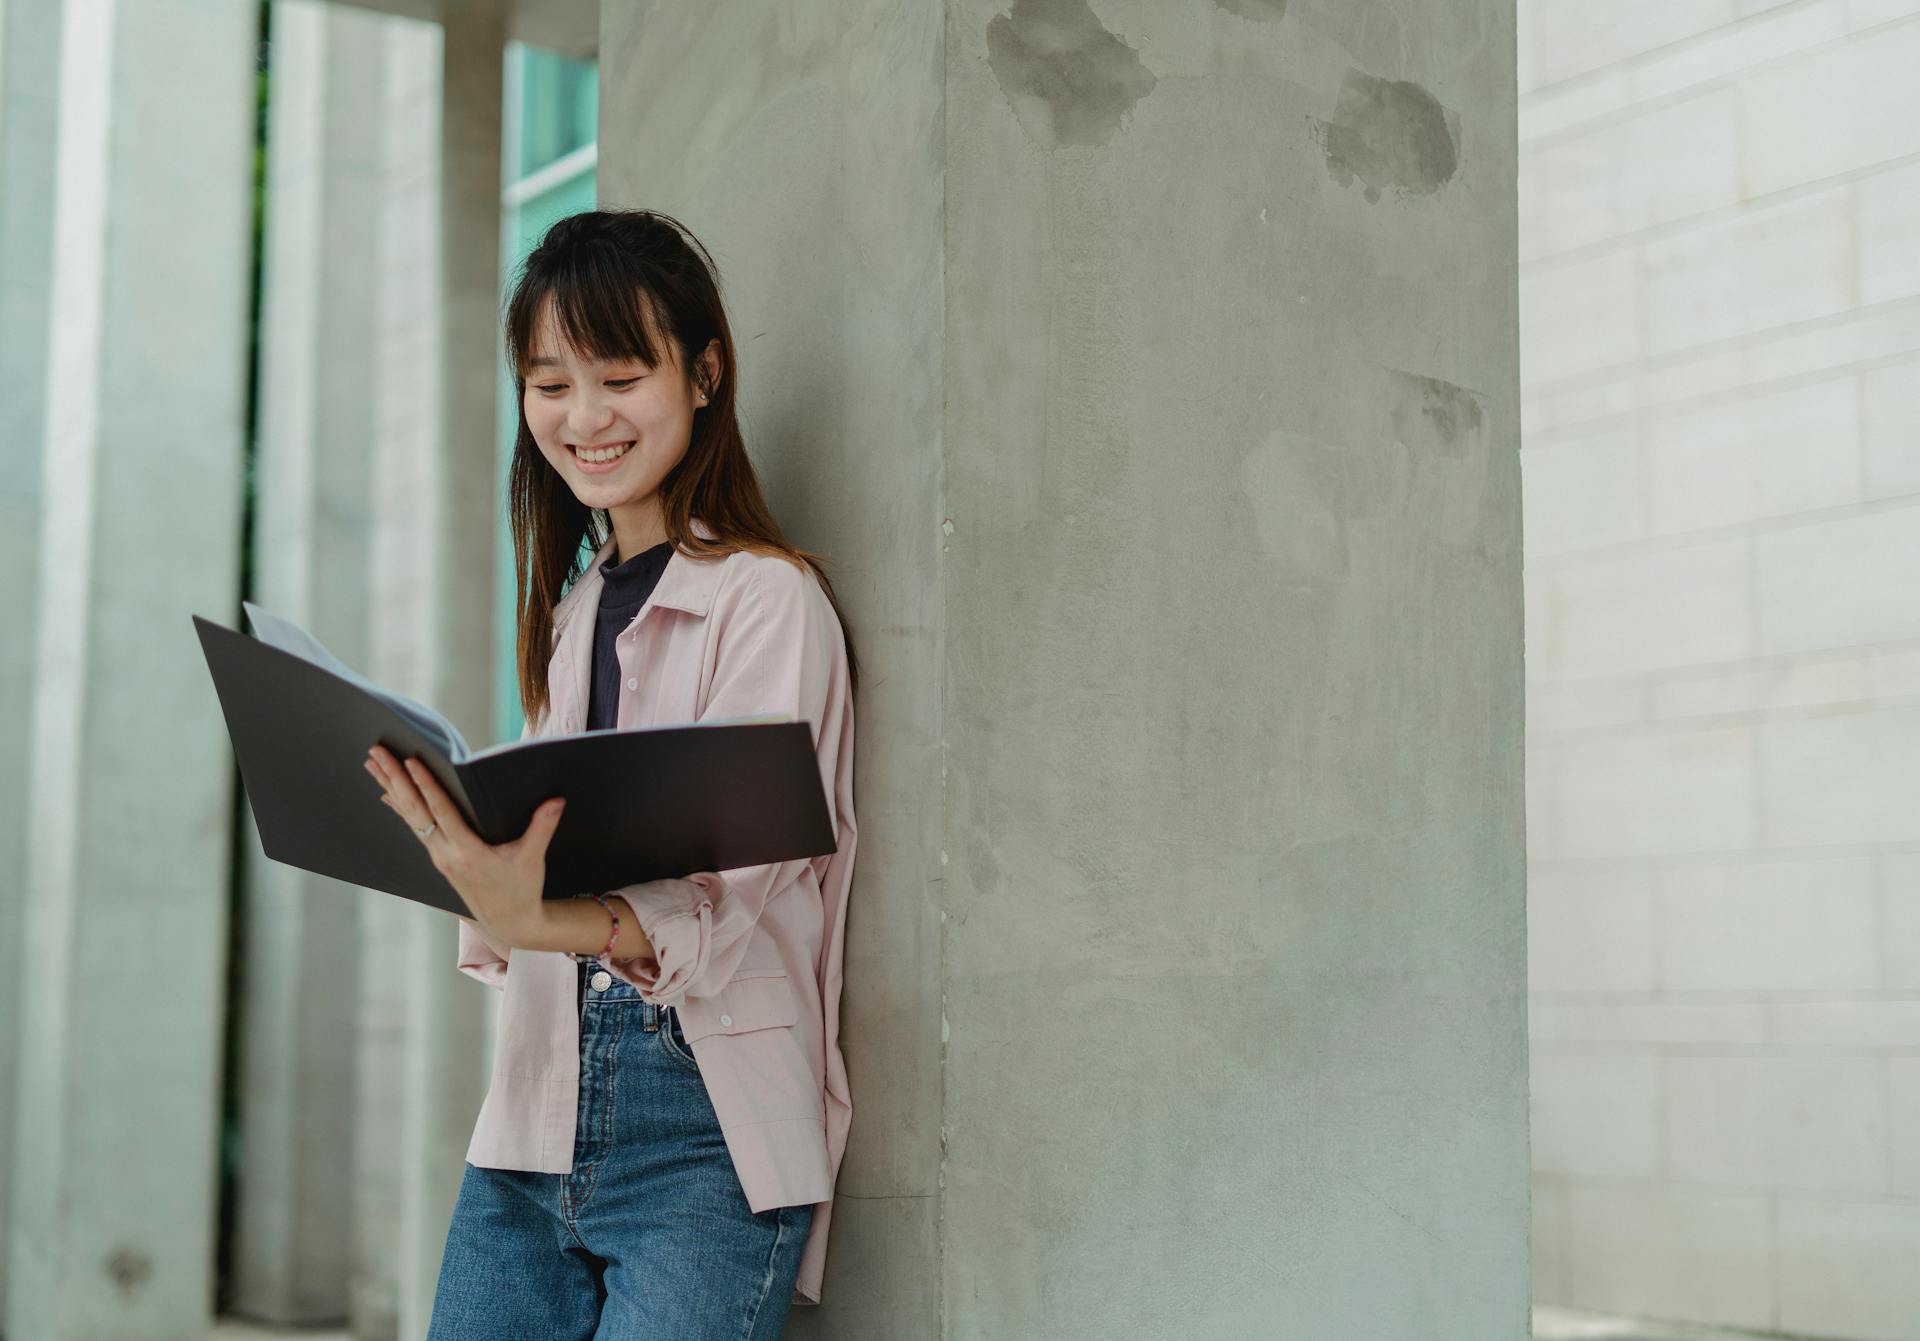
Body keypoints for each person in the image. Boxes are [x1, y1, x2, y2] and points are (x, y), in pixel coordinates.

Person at [360, 208, 860, 1338]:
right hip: (532, 1118)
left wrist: (538, 916)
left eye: (621, 376)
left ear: (704, 373)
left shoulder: (768, 601)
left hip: (704, 1130)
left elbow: (734, 896)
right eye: (549, 384)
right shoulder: (573, 612)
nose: (583, 419)